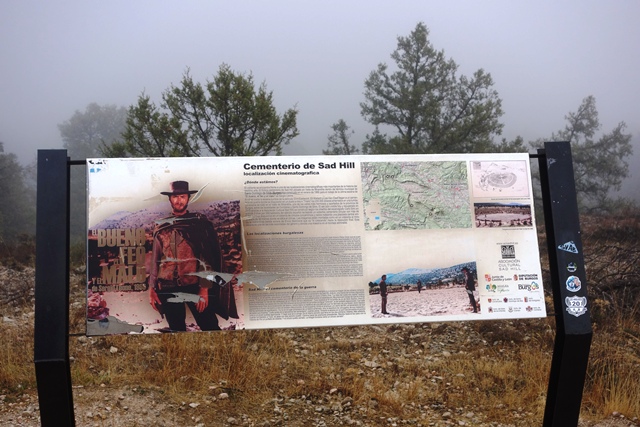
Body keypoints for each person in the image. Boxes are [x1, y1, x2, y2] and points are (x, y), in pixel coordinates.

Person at [148, 180, 238, 331]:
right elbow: (155, 259)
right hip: (167, 286)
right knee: (176, 330)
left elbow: (206, 258)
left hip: (194, 285)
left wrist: (204, 288)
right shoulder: (161, 226)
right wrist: (151, 288)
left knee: (210, 326)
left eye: (182, 197)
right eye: (175, 197)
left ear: (188, 199)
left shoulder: (198, 225)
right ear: (170, 199)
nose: (179, 200)